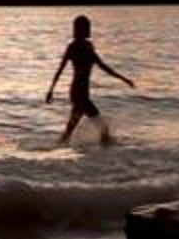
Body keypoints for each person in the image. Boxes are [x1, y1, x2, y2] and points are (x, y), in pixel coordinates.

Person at [45, 14, 134, 144]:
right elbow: (60, 69)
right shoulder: (76, 47)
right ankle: (106, 155)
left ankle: (56, 150)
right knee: (103, 128)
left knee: (71, 128)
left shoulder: (86, 46)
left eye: (88, 27)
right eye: (86, 27)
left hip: (78, 93)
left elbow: (102, 66)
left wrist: (123, 79)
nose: (88, 30)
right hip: (80, 95)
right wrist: (50, 90)